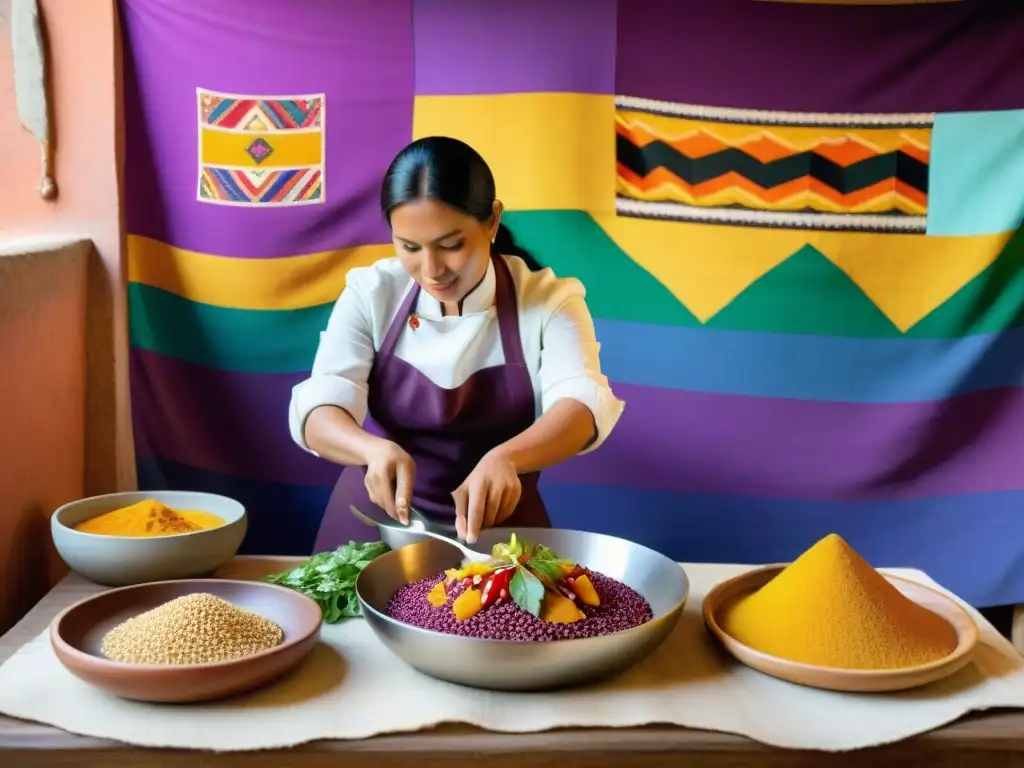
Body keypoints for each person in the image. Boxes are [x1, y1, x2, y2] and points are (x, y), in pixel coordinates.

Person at [289, 136, 624, 549]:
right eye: (409, 247)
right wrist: (370, 450)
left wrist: (508, 458)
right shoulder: (371, 291)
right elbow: (321, 408)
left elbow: (581, 408)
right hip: (377, 524)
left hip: (502, 532)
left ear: (492, 220)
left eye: (451, 245)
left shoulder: (549, 301)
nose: (431, 270)